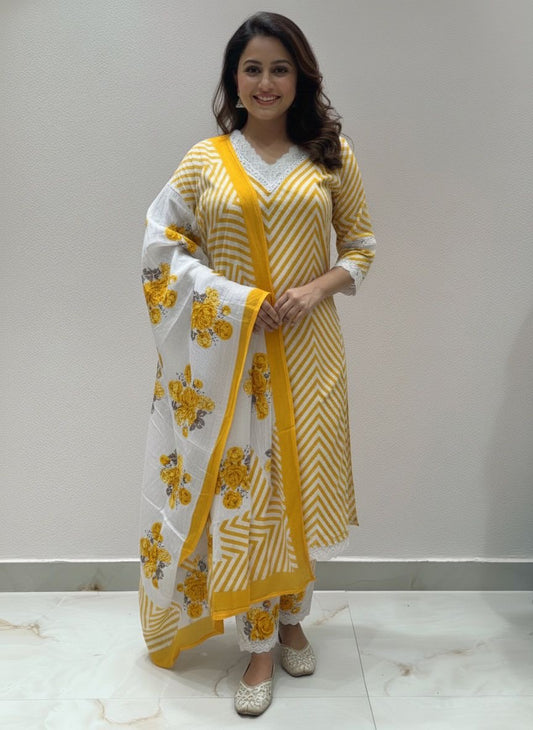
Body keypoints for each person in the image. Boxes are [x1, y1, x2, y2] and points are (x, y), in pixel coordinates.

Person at [138, 11, 376, 717]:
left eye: (279, 68)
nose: (266, 82)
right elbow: (161, 251)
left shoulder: (331, 155)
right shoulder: (204, 161)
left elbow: (361, 247)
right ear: (233, 80)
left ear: (299, 77)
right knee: (247, 498)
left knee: (297, 489)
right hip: (232, 363)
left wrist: (314, 289)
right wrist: (237, 301)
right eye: (252, 69)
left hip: (309, 354)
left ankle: (294, 617)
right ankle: (260, 644)